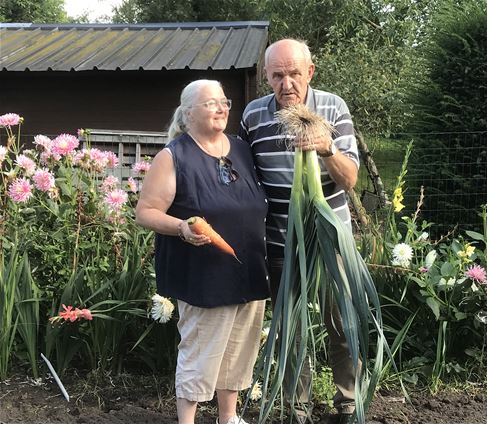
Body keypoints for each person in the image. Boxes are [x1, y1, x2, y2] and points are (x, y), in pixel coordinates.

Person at [239, 39, 360, 424]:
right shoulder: (254, 116)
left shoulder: (332, 107)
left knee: (341, 323)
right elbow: (243, 179)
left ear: (310, 71)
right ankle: (298, 408)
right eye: (277, 75)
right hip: (278, 241)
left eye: (294, 73)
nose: (286, 83)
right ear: (267, 77)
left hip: (330, 241)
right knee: (289, 328)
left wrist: (327, 148)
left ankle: (348, 403)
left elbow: (350, 179)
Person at [136, 79, 269, 424]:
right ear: (188, 112)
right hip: (203, 277)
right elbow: (145, 211)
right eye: (211, 103)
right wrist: (181, 227)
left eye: (224, 101)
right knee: (200, 352)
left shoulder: (240, 148)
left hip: (248, 269)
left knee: (239, 350)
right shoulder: (174, 155)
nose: (222, 108)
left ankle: (228, 417)